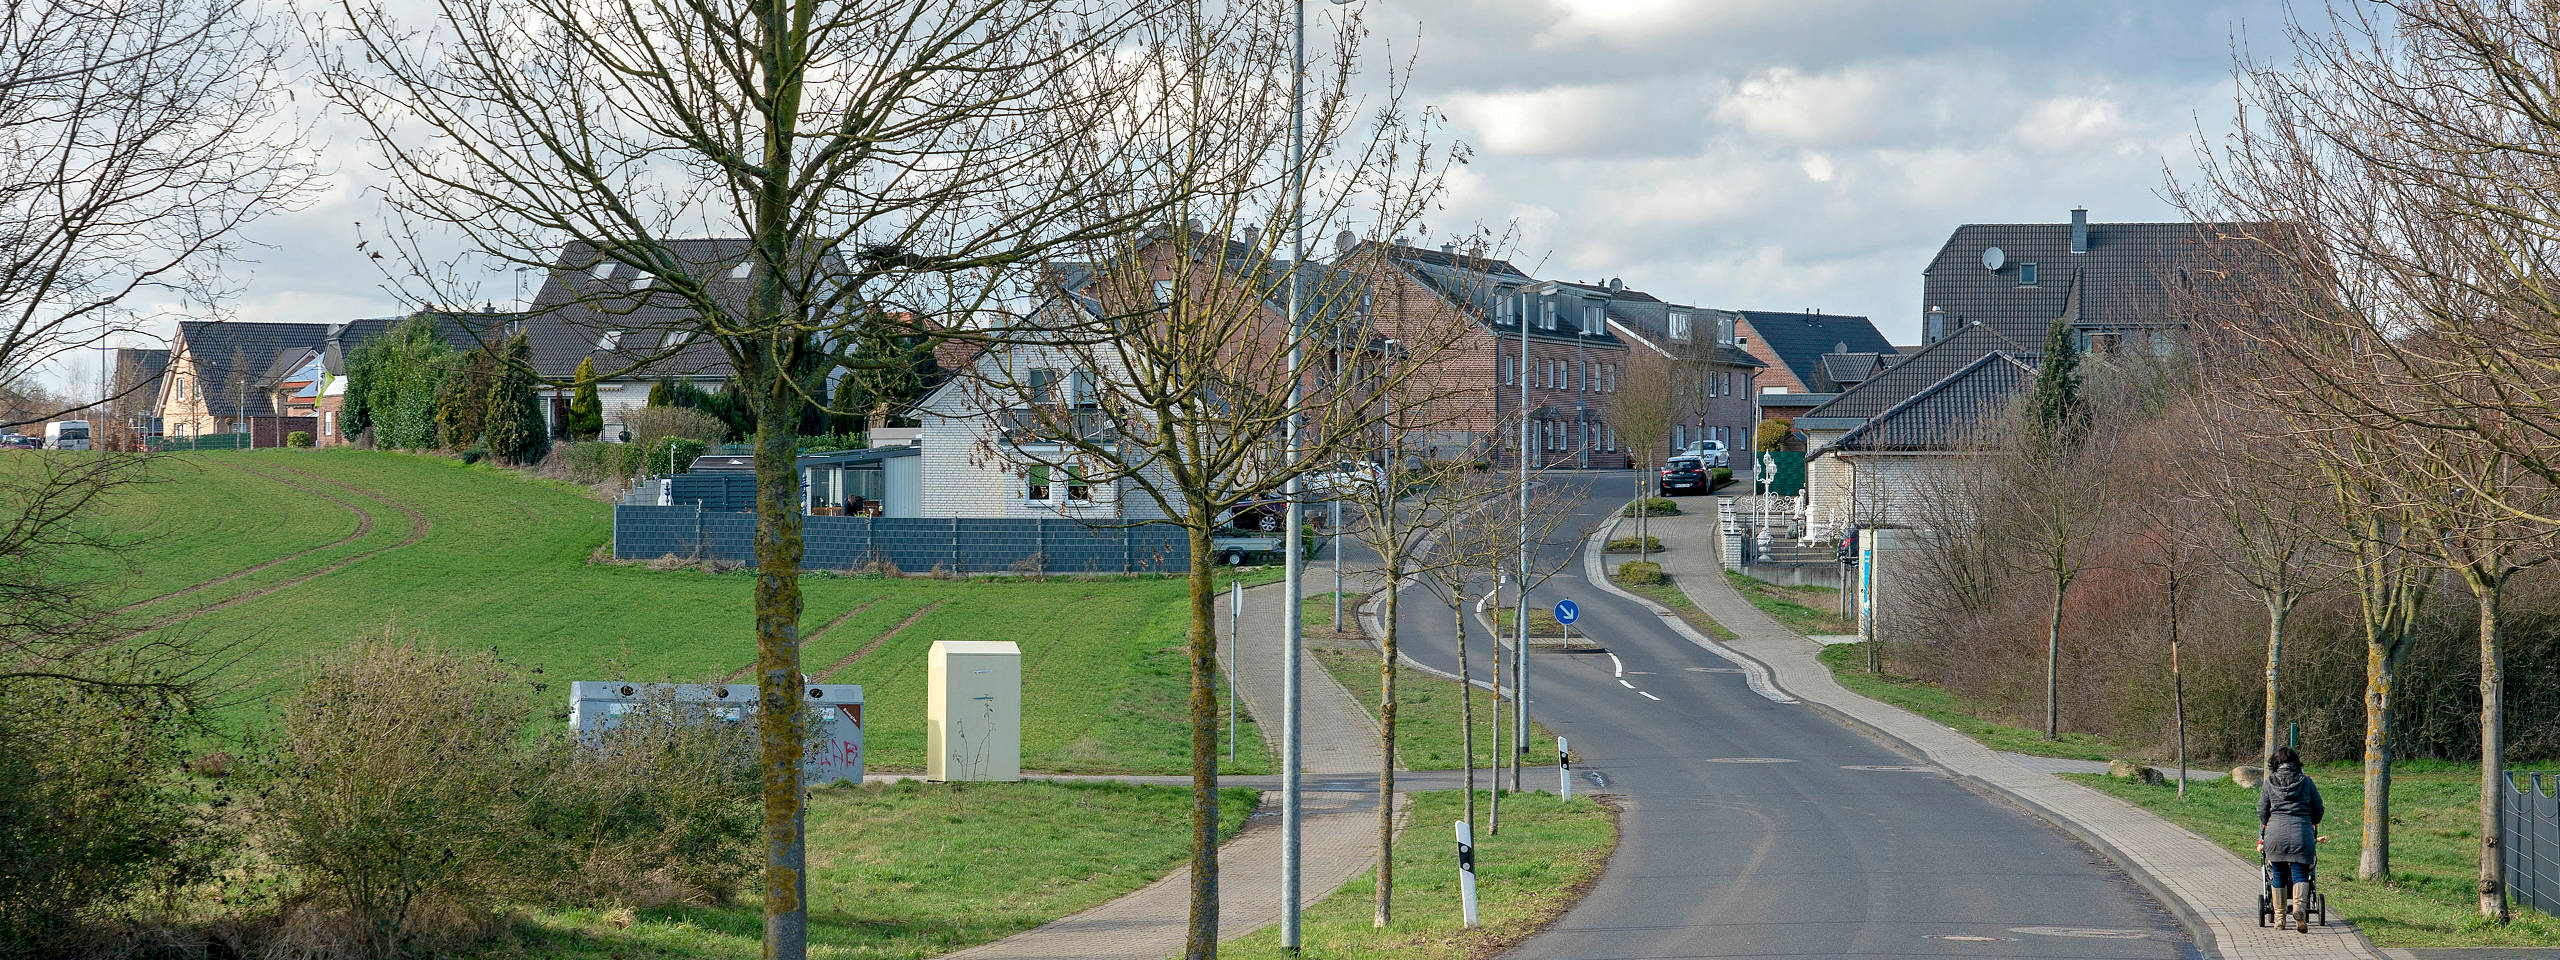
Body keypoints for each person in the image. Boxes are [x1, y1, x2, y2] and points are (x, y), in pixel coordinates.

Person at [2259, 746, 2324, 931]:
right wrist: (2312, 821)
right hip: (2301, 835)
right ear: (2296, 763)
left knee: (2278, 874)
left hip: (2275, 835)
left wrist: (2266, 823)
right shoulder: (2307, 782)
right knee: (2300, 874)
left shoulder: (2269, 782)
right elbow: (2318, 809)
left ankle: (2279, 919)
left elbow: (2262, 810)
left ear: (2275, 764)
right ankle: (2299, 909)